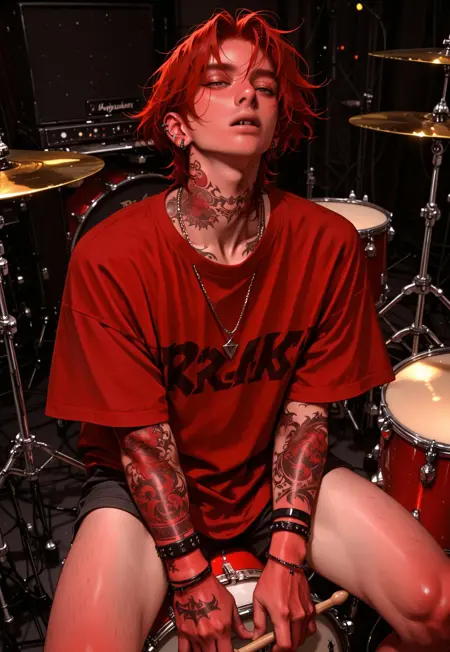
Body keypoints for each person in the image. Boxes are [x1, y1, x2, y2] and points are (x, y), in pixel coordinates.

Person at [44, 9, 450, 652]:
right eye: (218, 81)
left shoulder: (327, 244)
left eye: (263, 85)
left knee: (437, 608)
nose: (248, 95)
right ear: (177, 126)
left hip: (267, 476)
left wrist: (287, 555)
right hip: (142, 487)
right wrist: (188, 574)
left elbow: (307, 415)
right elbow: (142, 443)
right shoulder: (112, 256)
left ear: (278, 122)